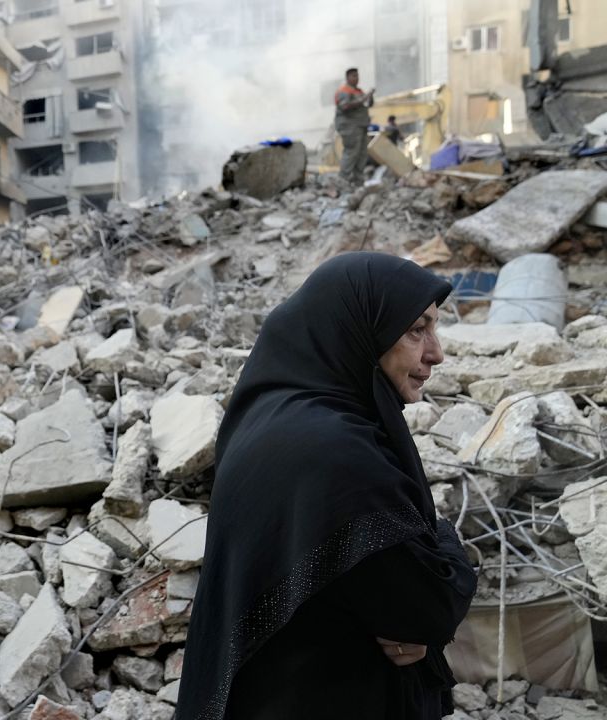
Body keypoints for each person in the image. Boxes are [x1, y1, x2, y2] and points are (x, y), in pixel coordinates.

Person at [174, 252, 478, 720]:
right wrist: (447, 544)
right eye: (417, 330)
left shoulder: (273, 414)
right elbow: (430, 608)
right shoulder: (335, 456)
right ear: (360, 330)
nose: (435, 353)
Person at [335, 68, 375, 184]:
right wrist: (364, 97)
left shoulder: (358, 91)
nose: (356, 78)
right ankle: (343, 179)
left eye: (357, 76)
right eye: (353, 76)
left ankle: (358, 179)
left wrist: (369, 96)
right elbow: (345, 106)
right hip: (349, 127)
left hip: (361, 126)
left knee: (362, 153)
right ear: (347, 78)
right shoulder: (344, 91)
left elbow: (367, 104)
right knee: (351, 152)